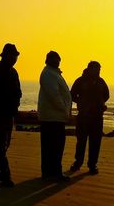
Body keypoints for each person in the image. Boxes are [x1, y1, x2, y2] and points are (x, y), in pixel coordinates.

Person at [0, 43, 22, 187]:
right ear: (5, 55)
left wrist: (15, 107)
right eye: (12, 56)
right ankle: (5, 175)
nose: (14, 59)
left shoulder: (14, 72)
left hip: (8, 114)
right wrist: (4, 105)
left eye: (16, 56)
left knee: (3, 144)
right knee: (0, 144)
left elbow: (18, 92)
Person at [69, 61, 109, 175]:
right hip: (84, 116)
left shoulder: (101, 81)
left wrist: (100, 104)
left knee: (95, 142)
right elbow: (72, 95)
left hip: (97, 116)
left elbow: (107, 94)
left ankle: (92, 165)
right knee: (81, 140)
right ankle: (78, 162)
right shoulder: (80, 81)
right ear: (90, 69)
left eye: (99, 69)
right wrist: (82, 103)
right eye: (96, 69)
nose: (98, 71)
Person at [37, 51, 72, 181]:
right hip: (52, 117)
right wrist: (64, 110)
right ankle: (52, 173)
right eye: (54, 59)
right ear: (48, 60)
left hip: (56, 116)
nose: (57, 61)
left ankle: (52, 172)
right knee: (53, 147)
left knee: (55, 147)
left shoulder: (54, 74)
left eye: (58, 59)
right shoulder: (48, 74)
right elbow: (54, 95)